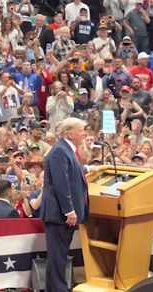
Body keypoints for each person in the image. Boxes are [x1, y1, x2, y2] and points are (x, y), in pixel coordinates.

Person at [40, 118, 89, 292]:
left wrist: (88, 170)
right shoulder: (60, 151)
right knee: (58, 258)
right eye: (81, 130)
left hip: (61, 214)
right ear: (70, 134)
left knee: (58, 258)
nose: (84, 133)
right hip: (59, 215)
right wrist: (69, 211)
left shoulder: (66, 149)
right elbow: (61, 183)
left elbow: (71, 171)